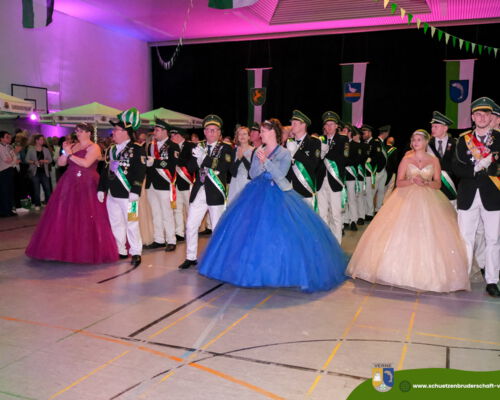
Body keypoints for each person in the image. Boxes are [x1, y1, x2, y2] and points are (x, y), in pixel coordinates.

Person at [198, 118, 347, 292]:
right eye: (260, 131)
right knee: (251, 231)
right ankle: (251, 269)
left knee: (279, 233)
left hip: (278, 193)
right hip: (256, 192)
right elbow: (253, 174)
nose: (260, 134)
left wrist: (266, 162)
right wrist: (260, 163)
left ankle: (278, 270)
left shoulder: (284, 153)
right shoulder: (259, 150)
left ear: (272, 132)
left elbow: (280, 175)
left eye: (263, 131)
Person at [347, 129, 470, 293]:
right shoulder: (406, 159)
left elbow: (438, 184)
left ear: (426, 142)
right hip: (406, 197)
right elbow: (399, 182)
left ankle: (427, 274)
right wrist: (412, 180)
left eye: (419, 140)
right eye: (413, 140)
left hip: (429, 199)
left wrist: (426, 183)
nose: (415, 142)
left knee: (430, 233)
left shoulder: (434, 160)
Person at [25, 123, 118, 263]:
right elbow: (61, 163)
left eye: (81, 131)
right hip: (69, 182)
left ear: (89, 133)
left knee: (88, 214)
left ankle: (86, 249)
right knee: (66, 214)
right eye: (77, 131)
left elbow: (86, 163)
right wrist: (65, 152)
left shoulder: (94, 147)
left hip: (87, 183)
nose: (78, 133)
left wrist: (69, 154)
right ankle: (63, 249)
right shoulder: (73, 146)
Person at [452, 97, 500, 298]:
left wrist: (492, 167)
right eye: (477, 114)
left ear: (490, 117)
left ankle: (492, 280)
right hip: (468, 194)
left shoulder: (499, 138)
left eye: (485, 114)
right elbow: (456, 167)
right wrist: (475, 169)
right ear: (472, 117)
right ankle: (462, 278)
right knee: (465, 238)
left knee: (493, 239)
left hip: (493, 194)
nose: (481, 117)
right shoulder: (463, 140)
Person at [178, 114, 233, 270]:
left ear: (219, 133)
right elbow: (190, 168)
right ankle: (190, 257)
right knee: (191, 225)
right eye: (208, 130)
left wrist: (205, 158)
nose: (211, 132)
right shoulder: (199, 146)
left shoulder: (225, 147)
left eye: (214, 130)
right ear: (204, 132)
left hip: (215, 191)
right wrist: (197, 158)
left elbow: (224, 167)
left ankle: (217, 259)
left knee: (216, 227)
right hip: (199, 190)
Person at [98, 108, 147, 267]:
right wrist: (101, 188)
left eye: (116, 130)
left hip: (128, 195)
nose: (113, 133)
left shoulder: (137, 149)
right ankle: (121, 249)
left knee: (131, 223)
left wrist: (136, 190)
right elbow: (105, 170)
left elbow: (140, 171)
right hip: (112, 194)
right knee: (116, 223)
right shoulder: (111, 150)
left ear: (126, 132)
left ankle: (136, 251)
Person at [143, 118, 178, 251]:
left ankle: (171, 240)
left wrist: (156, 162)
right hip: (151, 183)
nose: (155, 132)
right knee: (155, 213)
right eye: (155, 130)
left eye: (157, 130)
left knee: (167, 213)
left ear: (165, 131)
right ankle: (159, 239)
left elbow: (172, 164)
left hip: (164, 183)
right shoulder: (150, 146)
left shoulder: (173, 146)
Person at [316, 111, 348, 243]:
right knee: (322, 215)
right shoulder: (320, 140)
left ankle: (337, 245)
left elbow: (344, 159)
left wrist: (326, 152)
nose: (329, 127)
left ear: (336, 126)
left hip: (335, 181)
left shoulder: (343, 140)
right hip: (320, 181)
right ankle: (325, 244)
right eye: (327, 124)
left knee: (335, 215)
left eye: (331, 124)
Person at [286, 110, 321, 209]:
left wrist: (296, 152)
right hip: (290, 190)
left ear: (303, 125)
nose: (292, 126)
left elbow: (313, 165)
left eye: (295, 123)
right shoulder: (289, 142)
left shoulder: (314, 142)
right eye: (291, 123)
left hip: (305, 189)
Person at [171, 128, 196, 242]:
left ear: (179, 136)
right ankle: (179, 233)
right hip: (175, 183)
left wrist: (178, 159)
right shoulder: (172, 147)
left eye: (173, 135)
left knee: (190, 208)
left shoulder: (190, 146)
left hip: (187, 182)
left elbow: (192, 163)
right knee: (177, 209)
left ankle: (191, 230)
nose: (172, 137)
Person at [428, 111, 458, 204]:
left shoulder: (455, 143)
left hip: (451, 185)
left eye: (436, 126)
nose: (432, 129)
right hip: (432, 186)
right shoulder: (427, 144)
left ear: (445, 128)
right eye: (432, 126)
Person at [26, 135, 52, 210]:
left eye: (43, 140)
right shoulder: (31, 149)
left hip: (44, 172)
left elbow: (50, 160)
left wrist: (44, 161)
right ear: (36, 140)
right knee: (36, 189)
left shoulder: (46, 149)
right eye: (41, 139)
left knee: (47, 188)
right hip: (35, 172)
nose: (42, 141)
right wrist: (34, 162)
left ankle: (48, 203)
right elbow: (26, 160)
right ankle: (37, 204)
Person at [228, 126, 253, 203]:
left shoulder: (254, 151)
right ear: (237, 137)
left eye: (244, 134)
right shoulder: (233, 151)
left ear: (249, 137)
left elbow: (252, 171)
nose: (242, 136)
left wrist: (242, 158)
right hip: (235, 183)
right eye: (240, 134)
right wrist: (238, 160)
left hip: (248, 183)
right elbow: (232, 172)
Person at [0, 131, 19, 217]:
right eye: (7, 137)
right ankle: (4, 211)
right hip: (3, 172)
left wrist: (13, 160)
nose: (9, 138)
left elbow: (14, 157)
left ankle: (9, 210)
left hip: (10, 170)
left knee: (10, 191)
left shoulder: (9, 146)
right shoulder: (0, 147)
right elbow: (6, 159)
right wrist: (13, 161)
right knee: (4, 191)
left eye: (9, 136)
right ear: (1, 138)